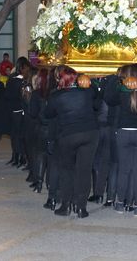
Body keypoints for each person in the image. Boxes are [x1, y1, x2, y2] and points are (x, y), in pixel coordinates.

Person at [45, 66, 99, 218]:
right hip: (90, 133)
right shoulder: (87, 92)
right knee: (84, 170)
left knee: (67, 171)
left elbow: (48, 114)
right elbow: (98, 104)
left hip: (68, 135)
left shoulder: (56, 96)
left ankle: (66, 205)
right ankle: (81, 207)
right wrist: (90, 84)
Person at [104, 63, 137, 216]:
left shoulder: (122, 92)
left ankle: (119, 204)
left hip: (124, 132)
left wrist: (115, 79)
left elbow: (108, 98)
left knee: (123, 170)